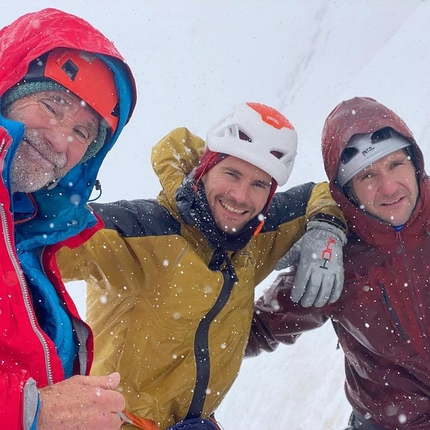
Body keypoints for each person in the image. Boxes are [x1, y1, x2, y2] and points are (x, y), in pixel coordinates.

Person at [58, 101, 347, 429]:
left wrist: (326, 229)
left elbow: (321, 194)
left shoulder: (255, 234)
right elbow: (41, 240)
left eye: (259, 184)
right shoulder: (144, 231)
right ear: (205, 167)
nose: (240, 195)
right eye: (232, 173)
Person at [246, 96, 430, 430]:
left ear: (414, 162)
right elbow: (251, 331)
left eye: (394, 164)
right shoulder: (335, 259)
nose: (388, 187)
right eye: (367, 176)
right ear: (348, 192)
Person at [0, 8, 136, 429]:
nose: (61, 139)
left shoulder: (28, 236)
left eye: (83, 132)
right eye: (53, 103)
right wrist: (27, 411)